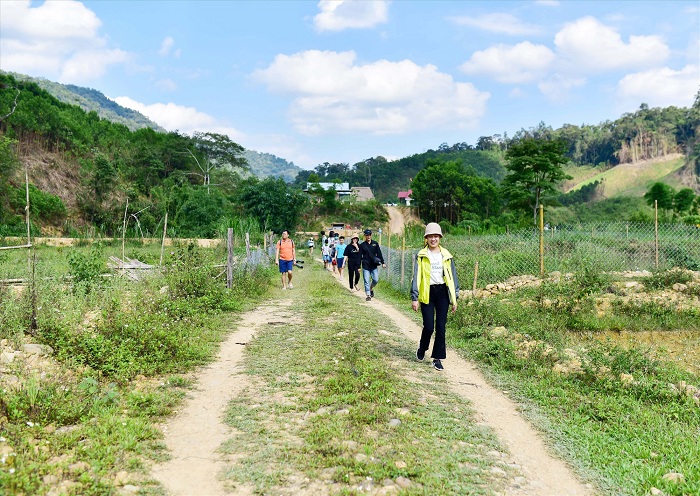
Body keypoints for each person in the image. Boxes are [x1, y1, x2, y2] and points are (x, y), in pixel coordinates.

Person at [410, 222, 459, 371]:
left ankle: (437, 358)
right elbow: (416, 276)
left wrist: (454, 297)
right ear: (426, 238)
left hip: (443, 293)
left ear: (440, 237)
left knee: (441, 327)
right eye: (430, 236)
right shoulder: (422, 255)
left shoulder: (447, 255)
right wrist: (415, 297)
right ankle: (422, 347)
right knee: (429, 326)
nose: (433, 239)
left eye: (436, 236)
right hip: (427, 292)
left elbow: (453, 277)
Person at [359, 229, 385, 301]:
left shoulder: (375, 244)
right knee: (366, 280)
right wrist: (358, 266)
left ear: (371, 235)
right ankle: (368, 295)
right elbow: (359, 256)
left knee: (375, 280)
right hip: (365, 265)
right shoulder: (362, 245)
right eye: (367, 235)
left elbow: (379, 253)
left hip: (373, 265)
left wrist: (383, 262)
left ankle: (371, 288)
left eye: (369, 235)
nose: (368, 236)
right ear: (365, 236)